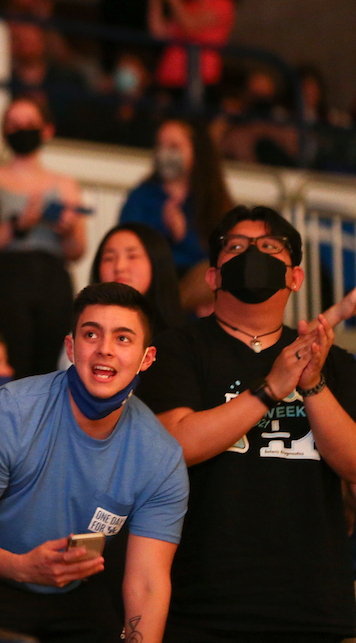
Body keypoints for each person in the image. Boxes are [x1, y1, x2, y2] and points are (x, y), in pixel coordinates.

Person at [136, 206, 356, 642]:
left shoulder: (338, 363)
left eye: (270, 247)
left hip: (313, 608)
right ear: (213, 277)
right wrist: (270, 388)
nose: (252, 255)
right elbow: (174, 445)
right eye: (235, 247)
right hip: (201, 606)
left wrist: (312, 384)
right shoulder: (176, 349)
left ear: (296, 276)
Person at [0, 282, 189, 643]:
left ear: (147, 358)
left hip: (77, 595)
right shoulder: (12, 410)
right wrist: (22, 567)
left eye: (123, 339)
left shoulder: (161, 456)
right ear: (71, 347)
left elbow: (148, 582)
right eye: (91, 334)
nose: (105, 350)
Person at [0, 97, 86, 377]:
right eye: (14, 123)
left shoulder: (65, 184)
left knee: (50, 369)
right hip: (4, 283)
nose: (21, 129)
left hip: (51, 282)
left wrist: (68, 229)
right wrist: (18, 225)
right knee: (6, 366)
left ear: (47, 130)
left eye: (29, 123)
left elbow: (77, 251)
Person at [120, 118, 234, 313]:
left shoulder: (213, 200)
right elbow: (126, 244)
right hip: (152, 281)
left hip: (197, 289)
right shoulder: (141, 196)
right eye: (160, 145)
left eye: (174, 146)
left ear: (195, 150)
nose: (165, 153)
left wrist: (184, 235)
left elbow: (222, 253)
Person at [148, 0, 239, 100]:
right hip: (170, 78)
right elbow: (159, 31)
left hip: (197, 80)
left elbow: (190, 25)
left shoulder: (223, 3)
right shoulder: (188, 4)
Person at [91, 222, 184, 337]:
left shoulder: (182, 340)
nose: (119, 267)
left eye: (132, 256)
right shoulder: (85, 332)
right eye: (109, 258)